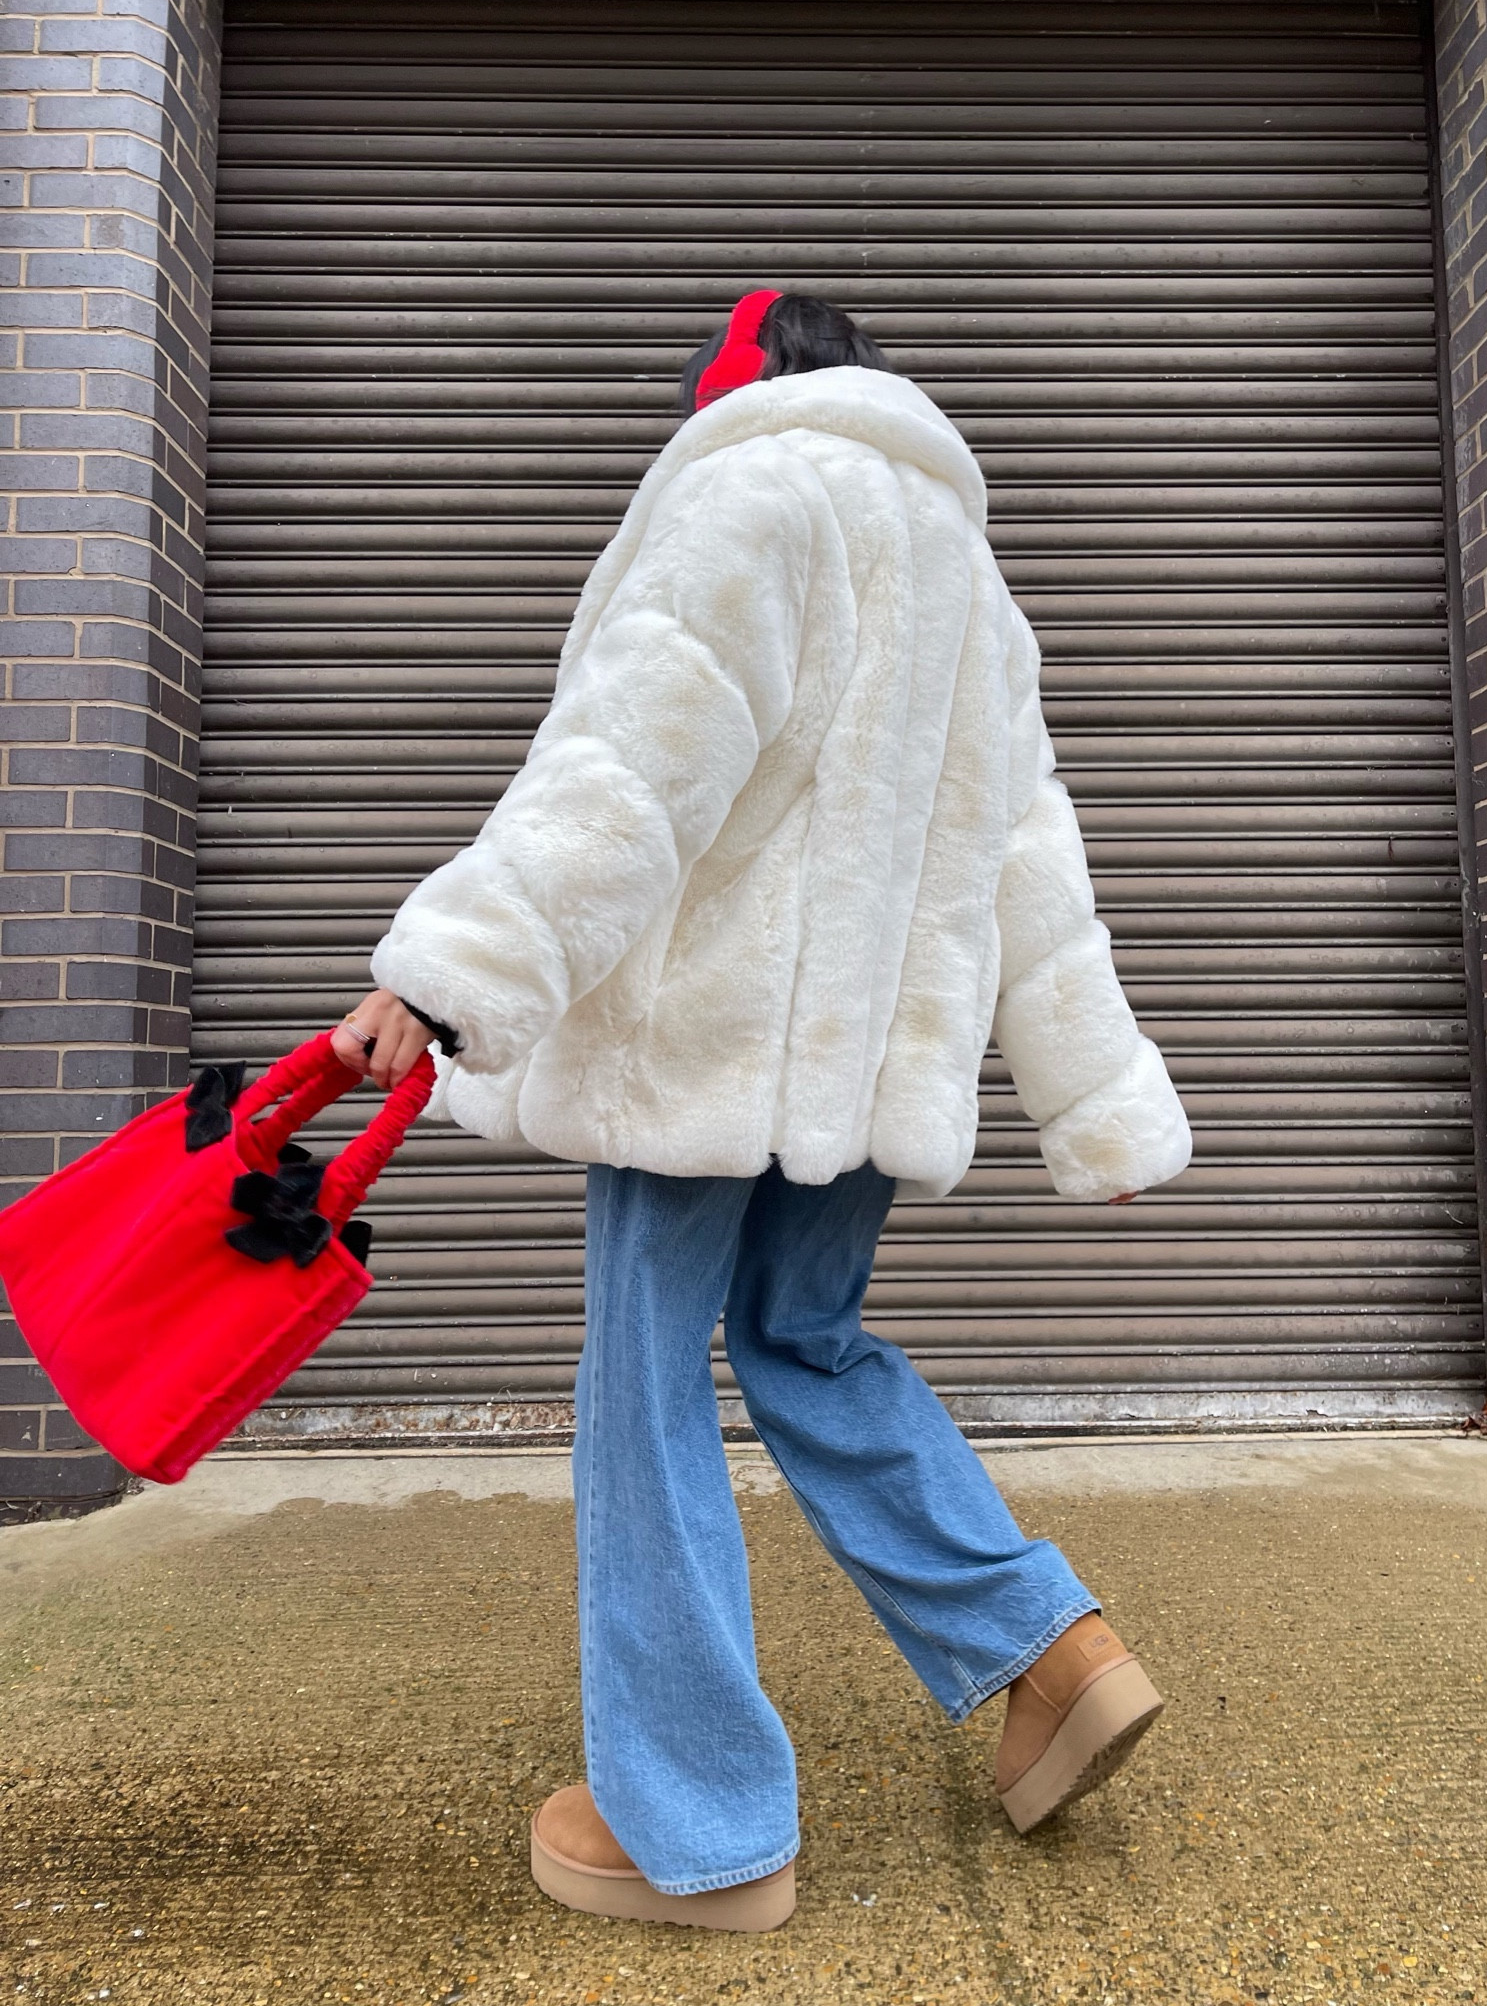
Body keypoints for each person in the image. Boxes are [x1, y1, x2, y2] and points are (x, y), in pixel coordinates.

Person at [333, 291, 1192, 1933]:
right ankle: (1051, 1649)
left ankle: (693, 1821)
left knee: (644, 1379)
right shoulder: (962, 565)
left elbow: (629, 768)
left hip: (701, 1061)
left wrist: (453, 973)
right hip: (865, 1073)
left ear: (722, 393)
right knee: (808, 1343)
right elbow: (1030, 842)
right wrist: (1096, 1093)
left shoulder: (749, 492)